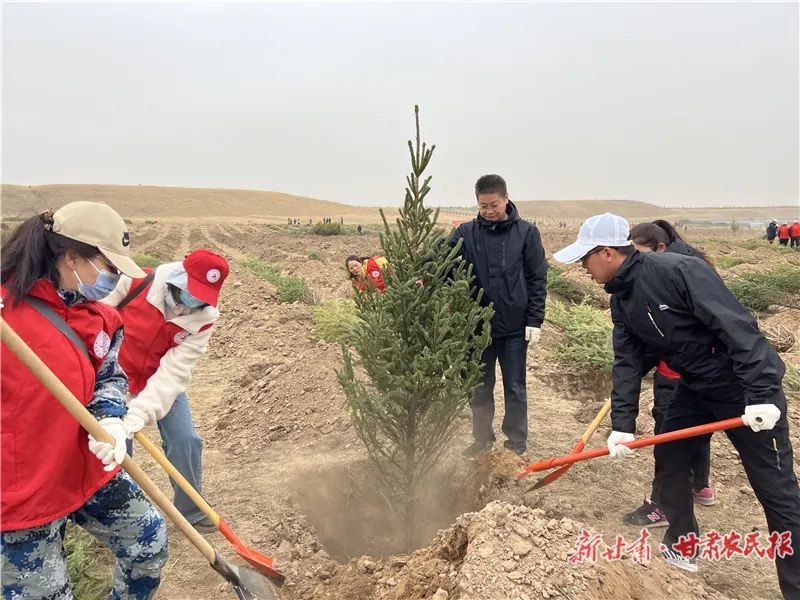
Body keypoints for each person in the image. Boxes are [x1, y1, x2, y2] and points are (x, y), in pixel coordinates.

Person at [554, 213, 800, 595]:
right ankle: (682, 545)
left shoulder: (678, 270)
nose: (582, 268)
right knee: (669, 459)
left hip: (740, 385)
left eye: (584, 259)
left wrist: (763, 395)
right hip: (695, 386)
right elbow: (628, 360)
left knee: (776, 490)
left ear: (606, 253)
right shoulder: (621, 298)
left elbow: (738, 328)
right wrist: (622, 423)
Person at [1, 202, 168, 598]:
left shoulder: (100, 319)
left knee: (148, 542)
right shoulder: (7, 317)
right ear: (71, 256)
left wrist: (110, 417)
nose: (112, 280)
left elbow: (110, 376)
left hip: (84, 467)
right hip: (21, 490)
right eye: (108, 269)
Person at [102, 249, 229, 532]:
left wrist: (139, 413)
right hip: (113, 377)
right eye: (193, 290)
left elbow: (173, 372)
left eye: (204, 296)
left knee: (186, 439)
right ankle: (122, 516)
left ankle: (191, 509)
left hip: (158, 379)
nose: (195, 301)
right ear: (180, 276)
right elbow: (95, 322)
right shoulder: (135, 283)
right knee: (119, 445)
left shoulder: (204, 319)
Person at [622, 222, 716, 529]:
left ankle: (661, 505)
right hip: (697, 371)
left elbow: (671, 331)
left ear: (661, 249)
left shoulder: (670, 276)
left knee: (670, 437)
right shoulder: (690, 262)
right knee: (697, 431)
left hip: (678, 373)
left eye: (639, 254)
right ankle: (700, 485)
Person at [451, 174, 547, 458]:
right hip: (477, 326)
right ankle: (482, 439)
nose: (489, 211)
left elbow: (537, 277)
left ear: (506, 198)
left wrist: (535, 319)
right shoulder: (466, 234)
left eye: (494, 204)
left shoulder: (527, 233)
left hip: (515, 327)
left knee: (515, 387)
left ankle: (516, 442)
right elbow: (440, 261)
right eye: (483, 206)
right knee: (479, 388)